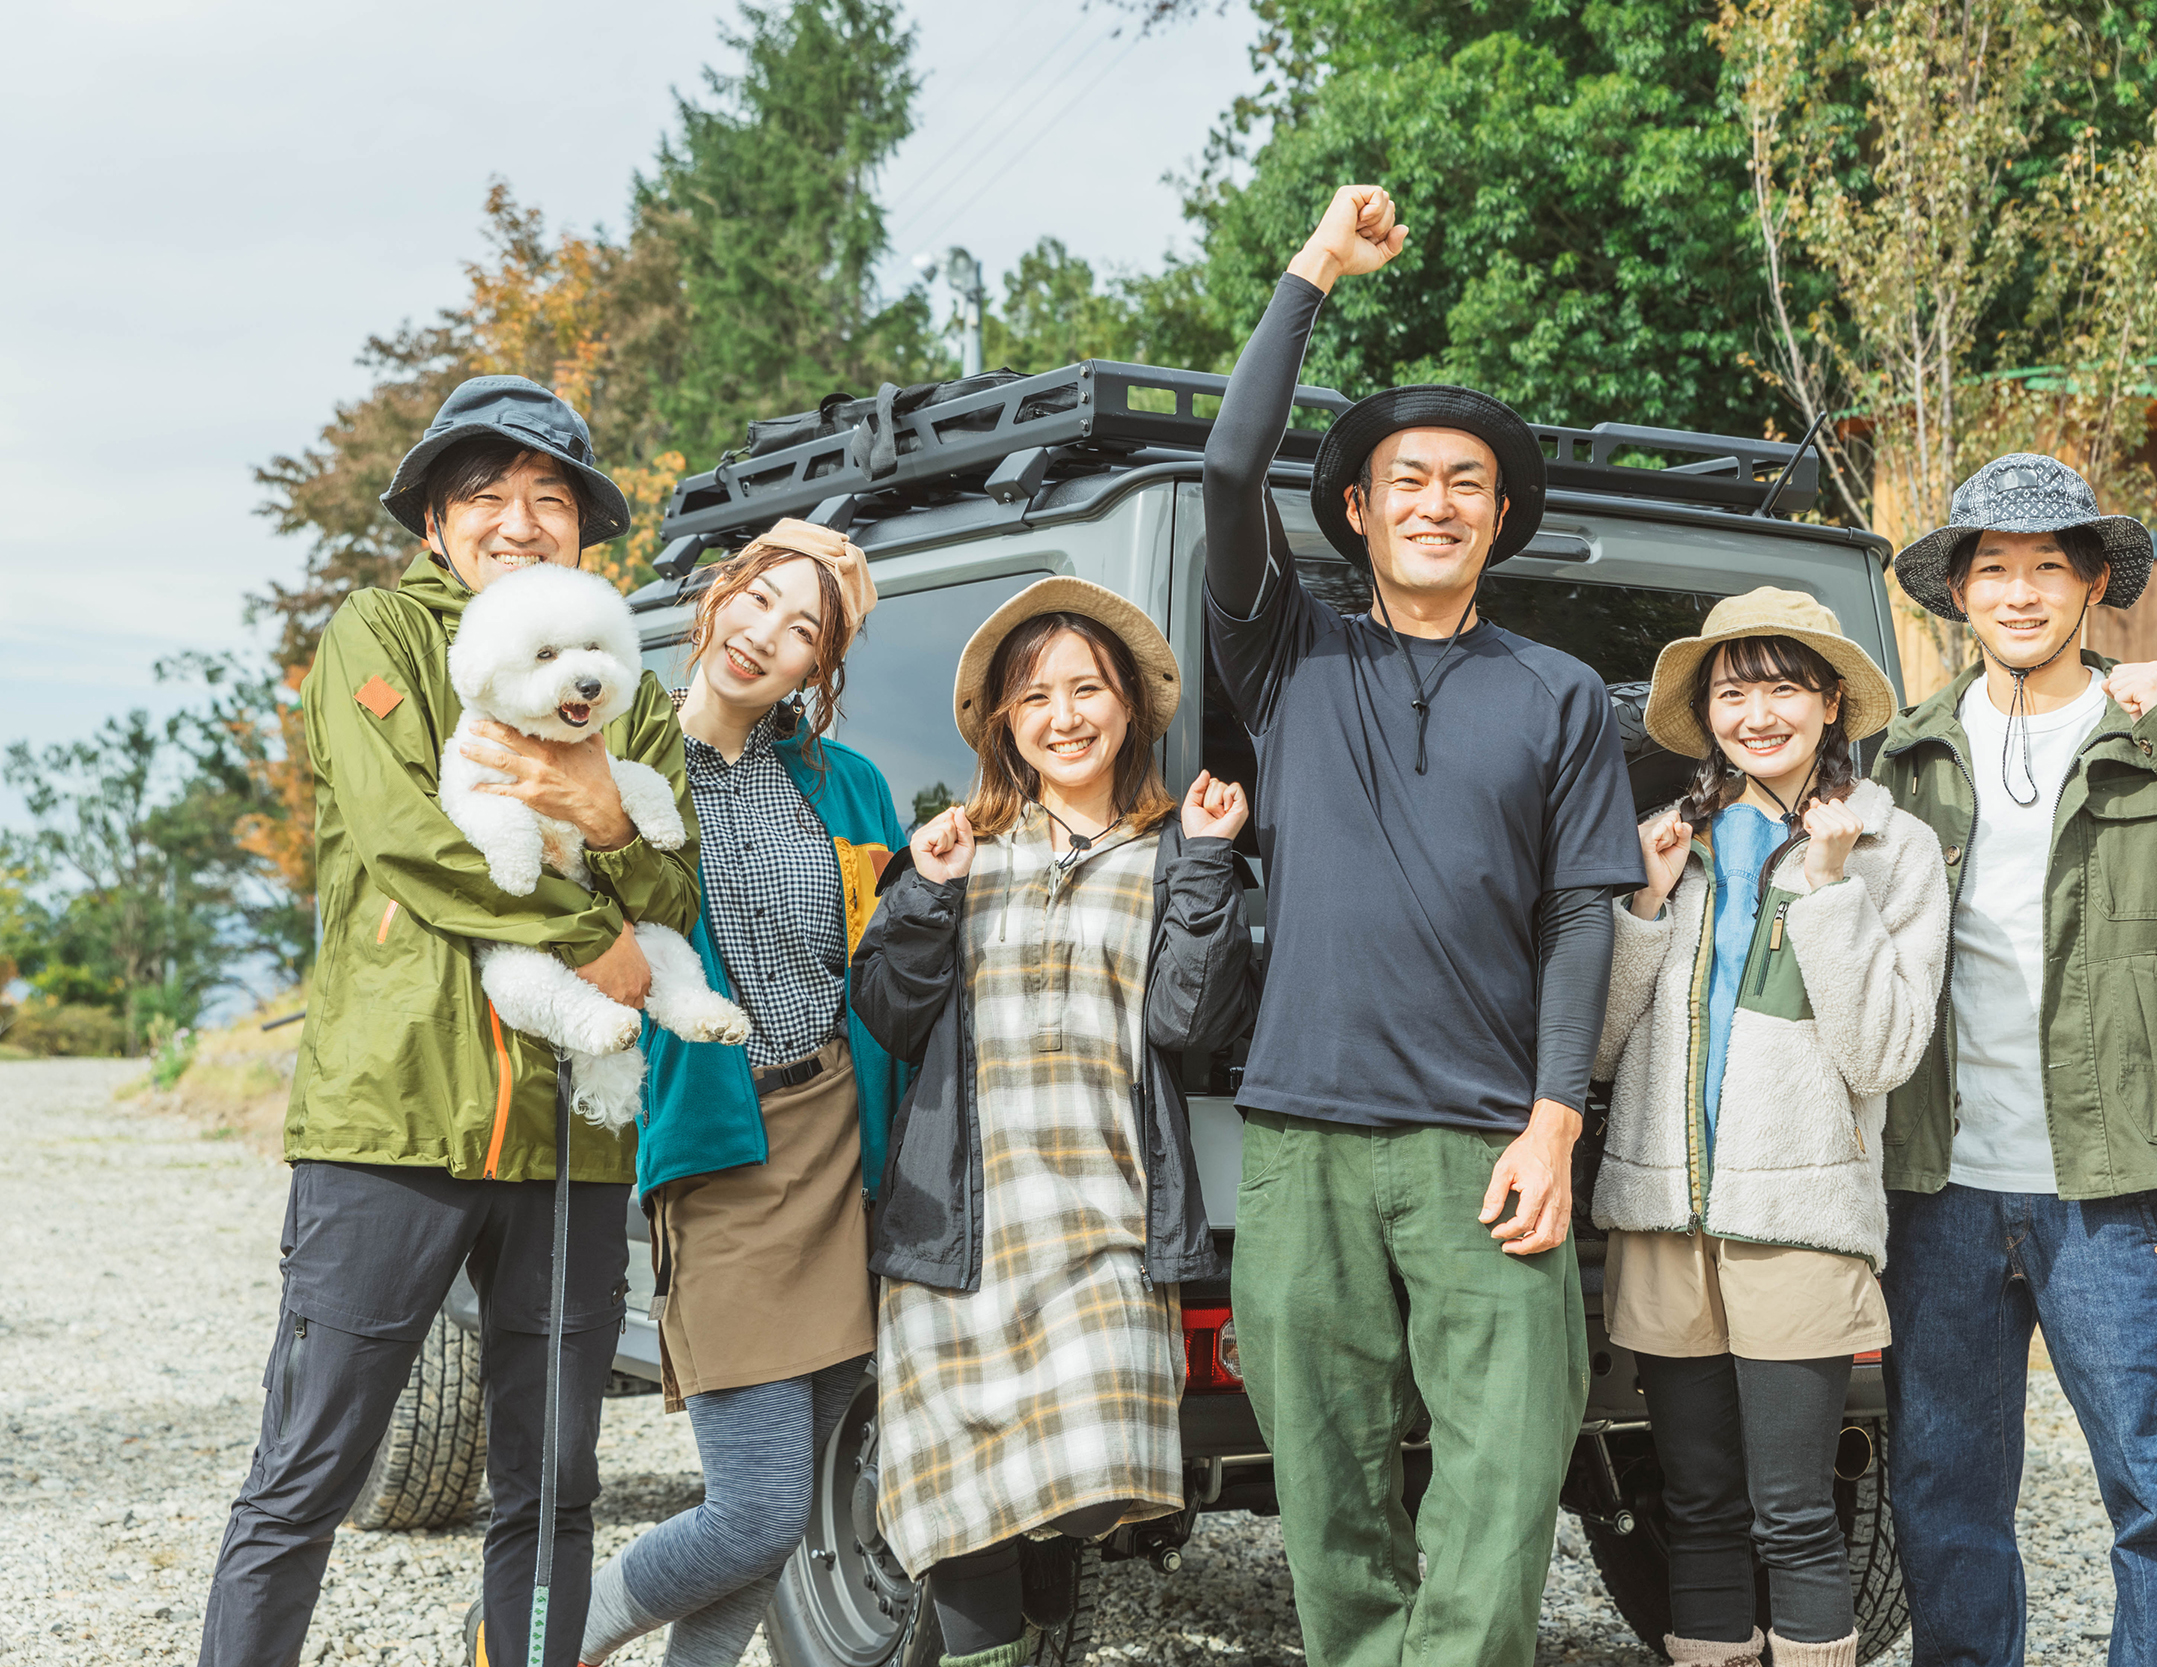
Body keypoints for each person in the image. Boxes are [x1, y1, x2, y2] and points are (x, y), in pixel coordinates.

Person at [1202, 184, 1647, 1667]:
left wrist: (1555, 1123)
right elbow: (1222, 465)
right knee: (1328, 1507)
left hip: (1483, 1147)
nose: (1439, 500)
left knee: (1503, 1492)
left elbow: (1584, 912)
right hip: (1304, 1140)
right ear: (1359, 509)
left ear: (1499, 514)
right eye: (1409, 480)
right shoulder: (1289, 659)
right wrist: (1313, 269)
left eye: (1468, 481)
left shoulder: (1558, 693)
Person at [197, 377, 698, 1667]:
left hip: (565, 1136)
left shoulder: (625, 683)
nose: (519, 521)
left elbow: (672, 884)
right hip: (391, 1113)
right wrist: (593, 934)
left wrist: (602, 824)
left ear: (587, 531)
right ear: (434, 521)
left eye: (551, 498)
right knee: (307, 1471)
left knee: (553, 1480)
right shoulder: (377, 633)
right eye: (485, 495)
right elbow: (409, 838)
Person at [1876, 454, 2157, 1667]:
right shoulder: (1908, 753)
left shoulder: (2146, 736)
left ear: (2088, 586)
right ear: (1959, 594)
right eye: (1992, 570)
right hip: (1940, 1191)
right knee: (1944, 1499)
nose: (2017, 593)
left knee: (2155, 1497)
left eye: (2044, 568)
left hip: (2104, 1187)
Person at [850, 577, 1255, 1667]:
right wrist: (926, 894)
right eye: (1035, 698)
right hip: (960, 1224)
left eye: (1088, 690)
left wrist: (1212, 865)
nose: (1063, 715)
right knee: (969, 1497)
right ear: (1004, 725)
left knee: (1080, 1481)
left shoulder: (1175, 850)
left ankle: (1036, 1637)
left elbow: (1188, 1018)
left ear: (1129, 707)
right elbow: (889, 1015)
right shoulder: (956, 846)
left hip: (1105, 1217)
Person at [1593, 589, 1951, 1667]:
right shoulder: (1669, 841)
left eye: (1785, 687)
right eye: (1733, 688)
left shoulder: (1895, 848)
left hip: (1796, 1219)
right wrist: (1645, 910)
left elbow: (1885, 1052)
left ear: (1832, 702)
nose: (1759, 712)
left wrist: (1830, 887)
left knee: (1794, 1510)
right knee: (1696, 1504)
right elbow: (1597, 1047)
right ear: (1705, 710)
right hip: (1666, 1214)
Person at [574, 518, 909, 1666]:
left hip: (841, 1144)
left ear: (822, 669)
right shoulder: (613, 761)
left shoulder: (849, 786)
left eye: (805, 628)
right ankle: (538, 1638)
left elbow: (893, 966)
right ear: (717, 600)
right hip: (719, 1141)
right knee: (754, 1507)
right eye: (760, 602)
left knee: (779, 1515)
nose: (768, 635)